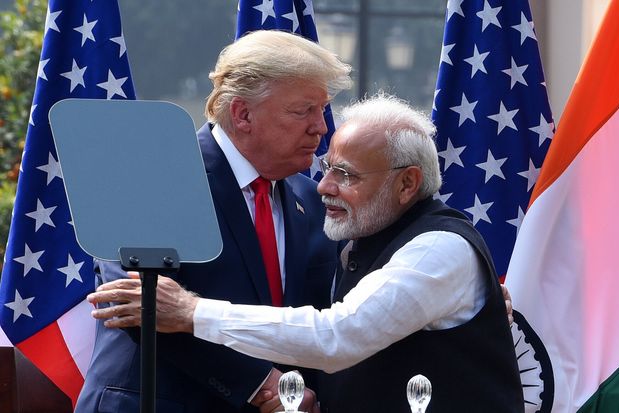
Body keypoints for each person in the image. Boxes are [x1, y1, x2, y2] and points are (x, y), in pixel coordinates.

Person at [90, 93, 525, 412]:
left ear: (407, 184)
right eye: (327, 168)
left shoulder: (438, 250)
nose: (324, 186)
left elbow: (337, 334)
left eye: (346, 175)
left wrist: (191, 311)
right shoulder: (361, 235)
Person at [75, 30, 352, 413]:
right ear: (243, 114)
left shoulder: (313, 199)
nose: (320, 128)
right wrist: (261, 384)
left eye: (322, 110)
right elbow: (132, 301)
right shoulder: (153, 175)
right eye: (303, 110)